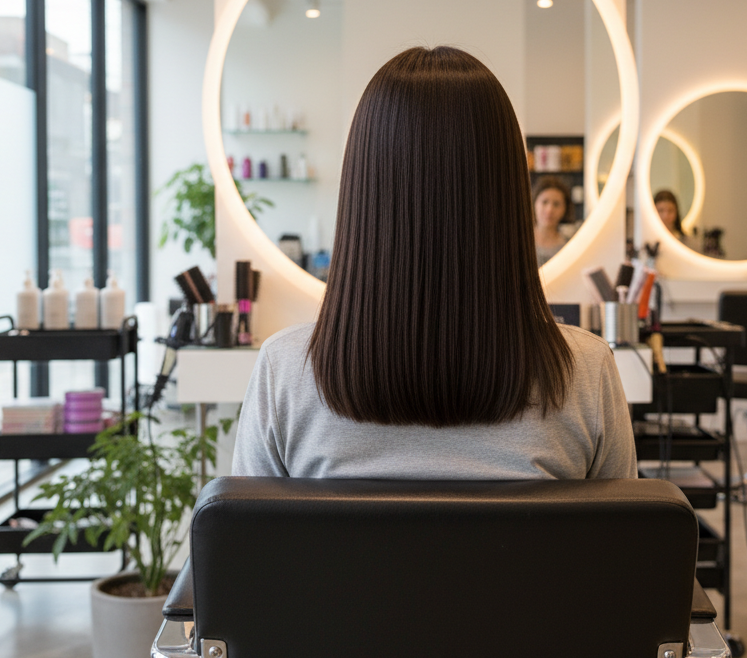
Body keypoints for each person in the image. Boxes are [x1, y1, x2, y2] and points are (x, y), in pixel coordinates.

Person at [232, 46, 634, 480]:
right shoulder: (585, 373)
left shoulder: (286, 373)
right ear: (510, 197)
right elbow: (625, 547)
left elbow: (241, 546)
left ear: (361, 194)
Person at [532, 175, 573, 266]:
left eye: (556, 204)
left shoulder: (569, 245)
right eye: (544, 202)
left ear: (565, 209)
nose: (549, 210)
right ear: (535, 203)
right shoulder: (520, 241)